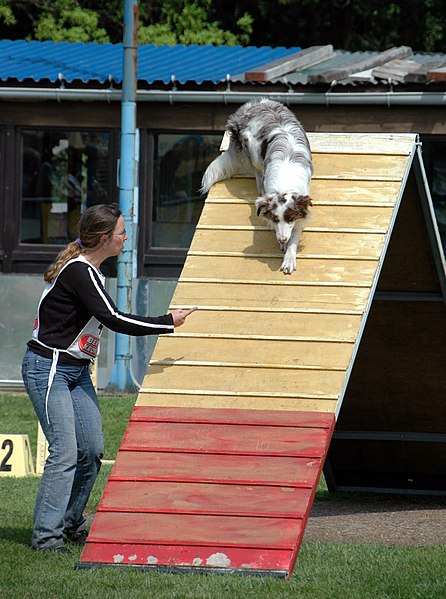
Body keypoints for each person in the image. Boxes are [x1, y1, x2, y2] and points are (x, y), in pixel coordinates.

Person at [21, 203, 197, 552]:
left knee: (91, 450)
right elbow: (114, 319)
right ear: (103, 239)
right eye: (121, 233)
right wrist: (167, 321)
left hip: (74, 370)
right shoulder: (80, 272)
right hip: (49, 367)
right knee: (65, 453)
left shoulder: (91, 272)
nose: (126, 238)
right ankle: (46, 537)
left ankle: (69, 523)